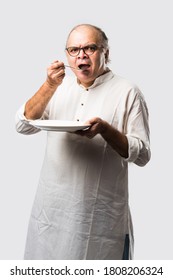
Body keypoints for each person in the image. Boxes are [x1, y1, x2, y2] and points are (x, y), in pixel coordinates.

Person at [15, 23, 151, 260]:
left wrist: (107, 131)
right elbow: (23, 125)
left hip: (99, 220)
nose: (81, 55)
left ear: (105, 52)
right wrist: (48, 86)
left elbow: (143, 155)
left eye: (89, 48)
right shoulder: (57, 87)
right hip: (50, 217)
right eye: (73, 50)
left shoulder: (128, 92)